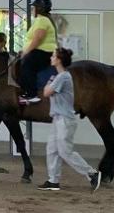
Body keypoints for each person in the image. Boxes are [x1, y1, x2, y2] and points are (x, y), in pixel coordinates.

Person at [38, 48, 102, 192]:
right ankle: (53, 181)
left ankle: (92, 173)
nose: (51, 58)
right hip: (58, 119)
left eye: (53, 55)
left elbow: (46, 92)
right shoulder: (59, 76)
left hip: (65, 121)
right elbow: (46, 91)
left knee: (65, 151)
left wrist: (49, 84)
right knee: (52, 150)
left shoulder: (63, 77)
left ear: (59, 60)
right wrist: (49, 84)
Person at [19, 0, 58, 104]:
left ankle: (32, 94)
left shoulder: (42, 20)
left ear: (39, 9)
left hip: (43, 52)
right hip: (42, 51)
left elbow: (37, 39)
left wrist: (25, 52)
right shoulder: (42, 20)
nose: (32, 10)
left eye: (34, 8)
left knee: (26, 65)